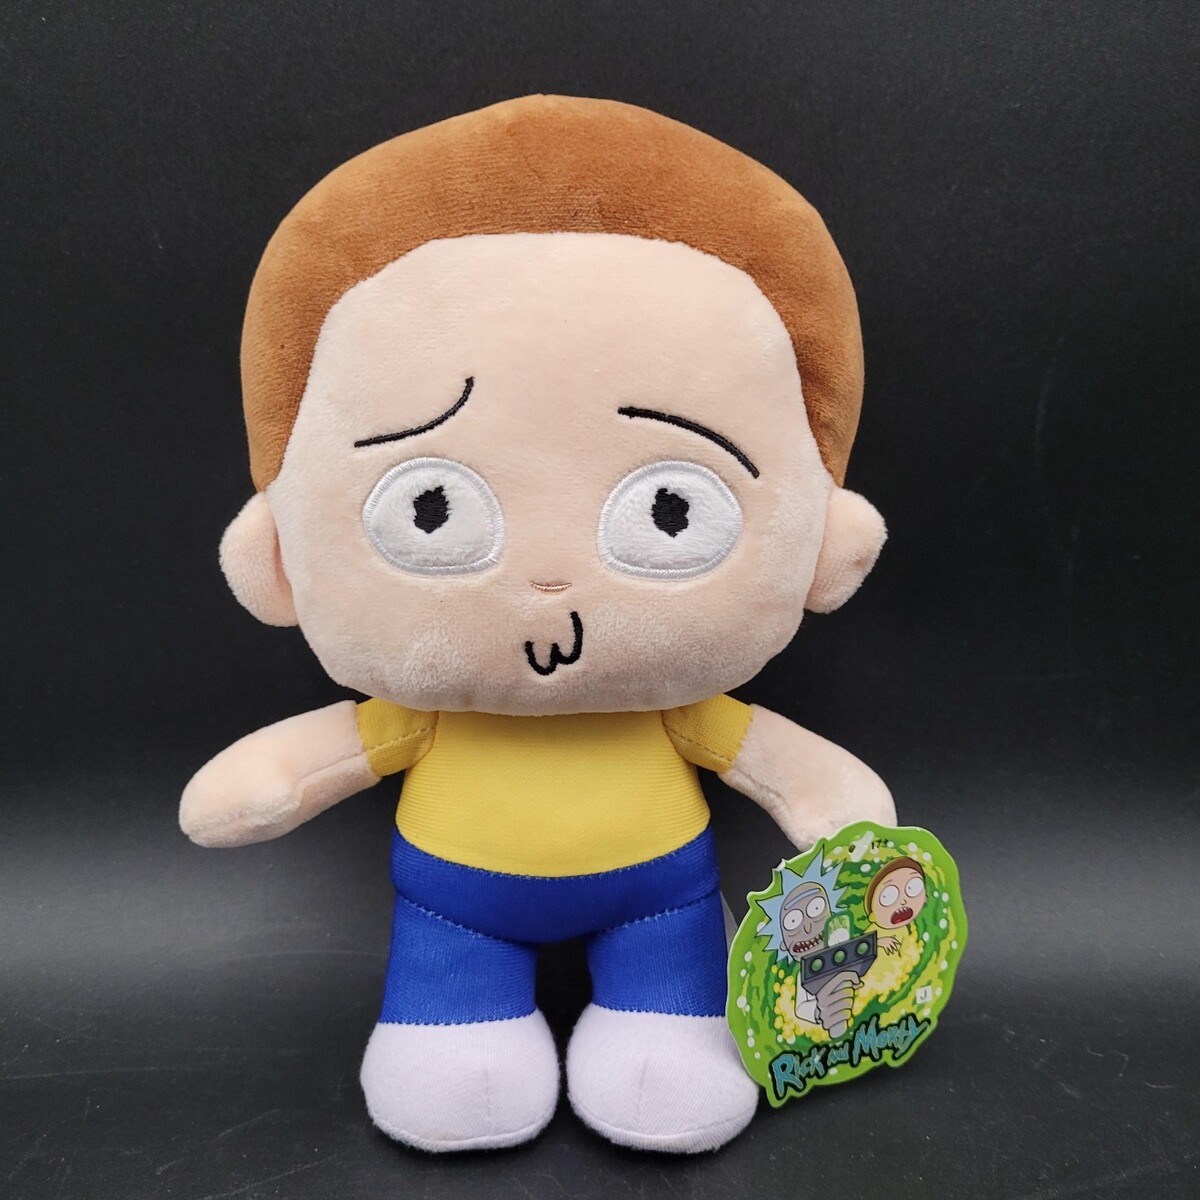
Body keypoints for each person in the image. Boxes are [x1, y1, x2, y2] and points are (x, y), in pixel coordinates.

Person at [179, 95, 892, 1154]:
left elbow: (798, 778)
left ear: (825, 549)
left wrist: (845, 824)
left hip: (663, 907)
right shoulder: (418, 716)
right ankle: (456, 1029)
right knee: (452, 1059)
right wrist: (258, 790)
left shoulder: (681, 712)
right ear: (276, 559)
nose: (549, 586)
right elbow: (299, 767)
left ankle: (667, 1026)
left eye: (671, 512)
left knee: (669, 1038)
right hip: (452, 911)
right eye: (431, 510)